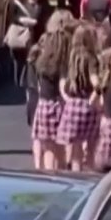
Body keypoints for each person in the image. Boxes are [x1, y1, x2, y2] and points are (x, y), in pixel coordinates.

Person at [29, 14, 73, 169]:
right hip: (59, 105)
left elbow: (39, 84)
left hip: (44, 104)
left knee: (48, 149)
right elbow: (63, 86)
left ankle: (49, 179)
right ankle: (62, 176)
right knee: (60, 149)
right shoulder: (64, 60)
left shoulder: (42, 60)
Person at [57, 26, 101, 171]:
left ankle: (77, 176)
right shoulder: (91, 58)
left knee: (75, 148)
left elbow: (64, 80)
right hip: (88, 104)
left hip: (73, 104)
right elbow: (96, 82)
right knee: (91, 146)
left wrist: (66, 96)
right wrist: (97, 94)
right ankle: (91, 176)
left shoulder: (71, 56)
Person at [5, 0, 50, 85]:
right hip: (22, 39)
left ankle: (34, 83)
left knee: (36, 62)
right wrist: (22, 20)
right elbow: (10, 19)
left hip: (38, 37)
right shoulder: (17, 1)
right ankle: (20, 85)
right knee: (21, 63)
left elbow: (48, 15)